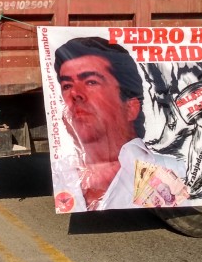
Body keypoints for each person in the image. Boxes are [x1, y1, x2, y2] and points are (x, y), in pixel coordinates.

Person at [53, 37, 186, 211]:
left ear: (131, 107)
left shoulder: (174, 170)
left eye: (91, 82)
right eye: (67, 85)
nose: (75, 94)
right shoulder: (60, 173)